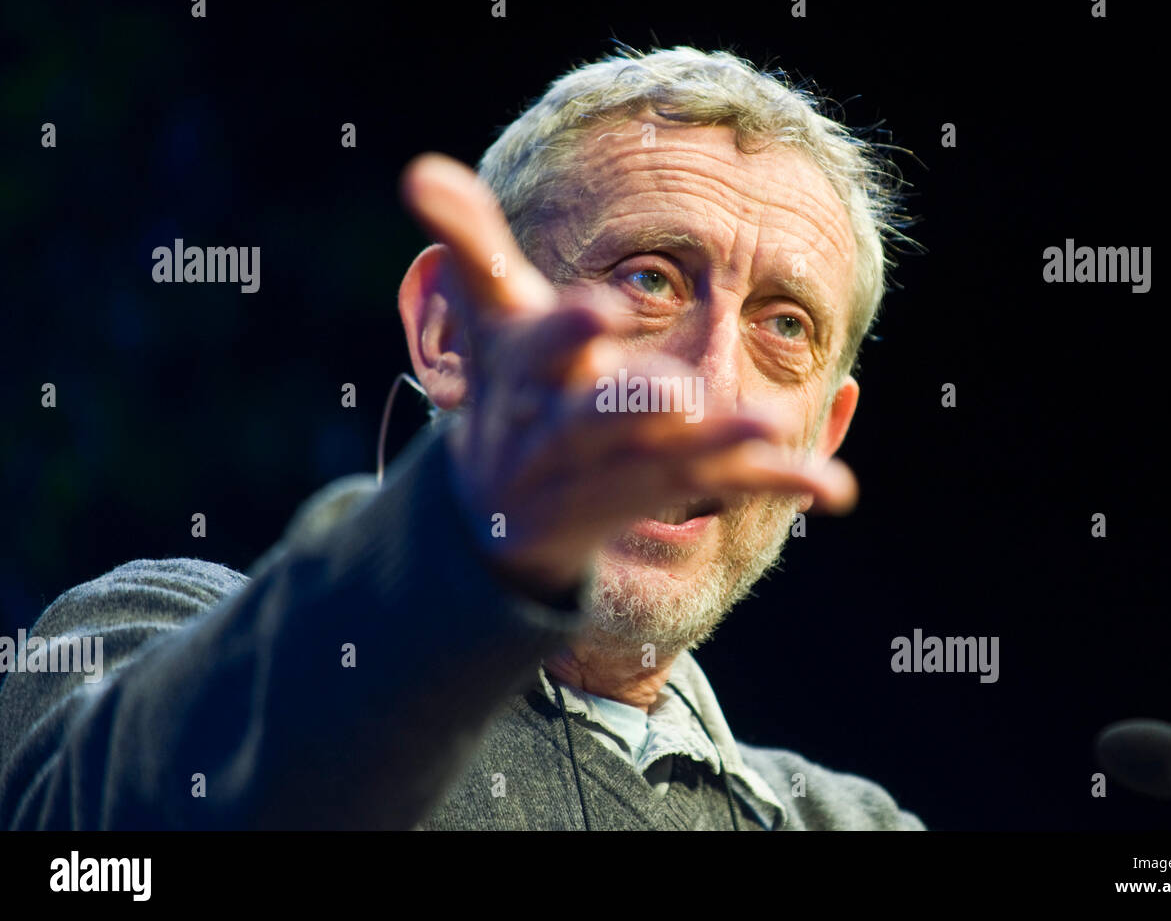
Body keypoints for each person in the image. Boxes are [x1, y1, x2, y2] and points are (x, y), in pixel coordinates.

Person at [0, 45, 923, 830]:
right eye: (649, 279)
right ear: (451, 331)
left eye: (786, 325)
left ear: (822, 438)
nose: (710, 385)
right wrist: (466, 540)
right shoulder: (154, 633)